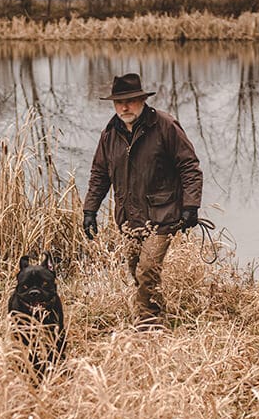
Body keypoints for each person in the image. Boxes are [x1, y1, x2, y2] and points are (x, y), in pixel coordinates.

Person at [82, 72, 203, 323]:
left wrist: (190, 206)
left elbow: (189, 166)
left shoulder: (165, 125)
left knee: (148, 269)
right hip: (128, 218)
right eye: (119, 102)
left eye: (130, 100)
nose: (124, 107)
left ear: (142, 100)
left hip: (163, 214)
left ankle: (145, 324)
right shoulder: (109, 134)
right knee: (137, 271)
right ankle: (158, 313)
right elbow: (99, 175)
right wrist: (90, 211)